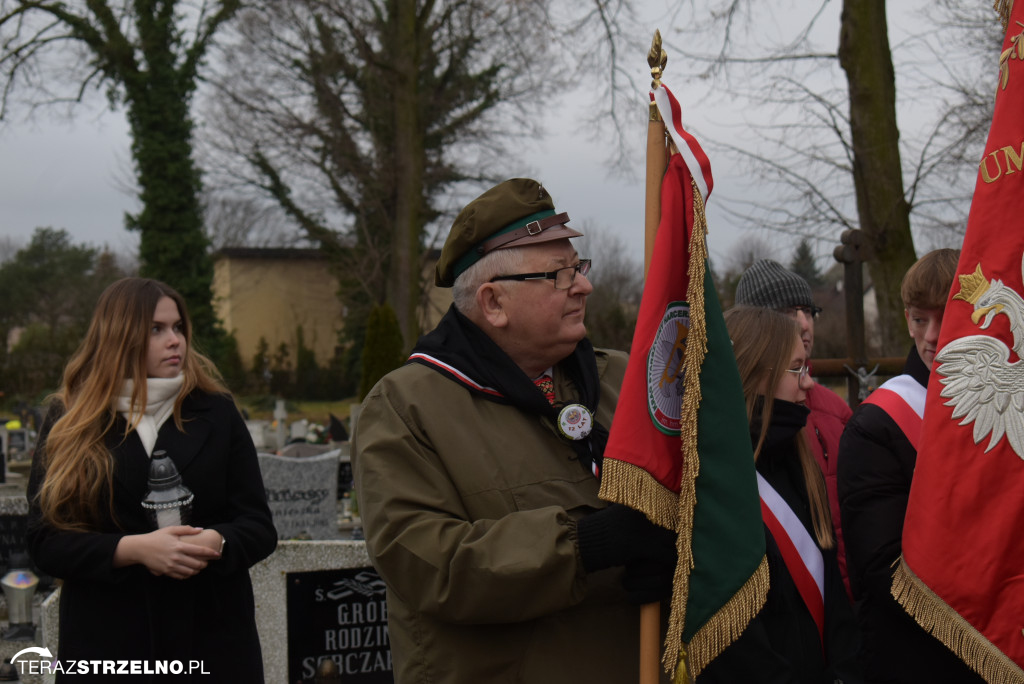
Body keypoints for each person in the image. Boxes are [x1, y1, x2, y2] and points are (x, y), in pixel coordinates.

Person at [352, 178, 676, 684]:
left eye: (579, 267)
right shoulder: (405, 407)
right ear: (494, 303)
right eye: (559, 275)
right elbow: (430, 564)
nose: (584, 286)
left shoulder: (630, 382)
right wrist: (589, 545)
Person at [27, 277, 278, 682]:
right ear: (120, 337)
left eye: (178, 327)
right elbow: (45, 542)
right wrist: (134, 549)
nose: (175, 340)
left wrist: (218, 541)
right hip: (109, 644)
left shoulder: (217, 411)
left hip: (211, 640)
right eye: (156, 330)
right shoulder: (70, 420)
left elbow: (258, 527)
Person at [837, 249, 984, 683]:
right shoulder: (878, 424)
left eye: (946, 317)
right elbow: (883, 566)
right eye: (920, 320)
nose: (932, 336)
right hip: (918, 655)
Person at [700, 306, 862, 683]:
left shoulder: (799, 464)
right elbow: (739, 649)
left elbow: (836, 605)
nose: (808, 383)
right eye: (796, 369)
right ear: (754, 373)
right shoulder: (714, 491)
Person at [735, 258, 853, 593]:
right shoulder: (729, 425)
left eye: (808, 311)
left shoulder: (836, 412)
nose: (804, 324)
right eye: (787, 312)